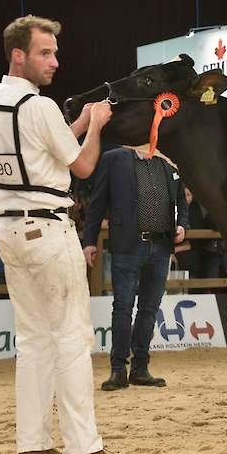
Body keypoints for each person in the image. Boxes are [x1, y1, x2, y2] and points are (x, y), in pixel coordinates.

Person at [0, 14, 131, 454]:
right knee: (71, 338)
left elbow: (36, 150)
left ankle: (34, 447)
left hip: (9, 229)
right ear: (18, 55)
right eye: (45, 52)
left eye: (55, 53)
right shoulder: (38, 105)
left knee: (33, 341)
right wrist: (97, 124)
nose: (55, 62)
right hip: (49, 229)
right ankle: (83, 448)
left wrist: (76, 122)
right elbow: (82, 166)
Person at [82, 147, 188, 391]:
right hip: (128, 244)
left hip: (161, 244)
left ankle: (140, 367)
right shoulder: (113, 158)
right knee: (123, 307)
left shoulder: (167, 160)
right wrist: (89, 240)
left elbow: (181, 198)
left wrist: (182, 224)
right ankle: (118, 369)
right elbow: (97, 202)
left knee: (149, 308)